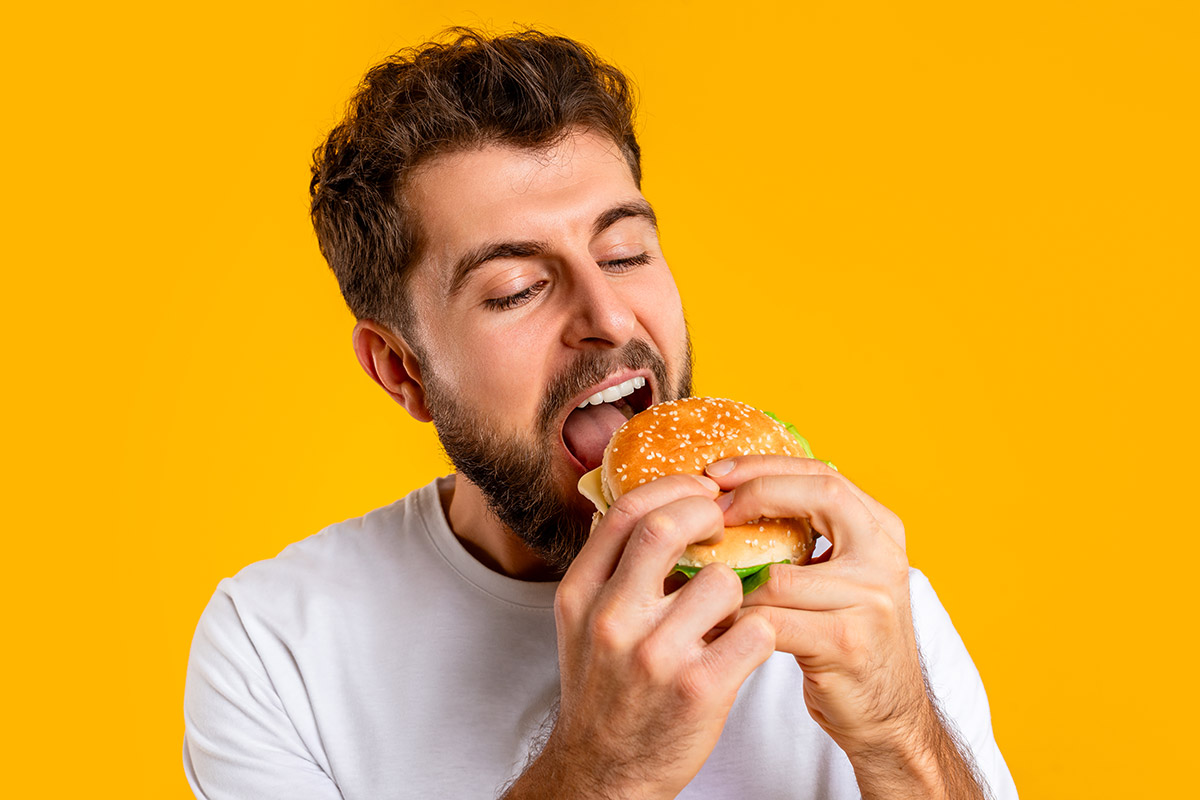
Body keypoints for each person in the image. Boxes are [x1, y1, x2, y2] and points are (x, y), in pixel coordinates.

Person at [183, 27, 1018, 799]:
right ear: (405, 370)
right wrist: (600, 772)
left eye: (624, 253)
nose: (610, 318)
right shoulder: (276, 647)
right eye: (517, 289)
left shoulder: (856, 596)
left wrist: (900, 735)